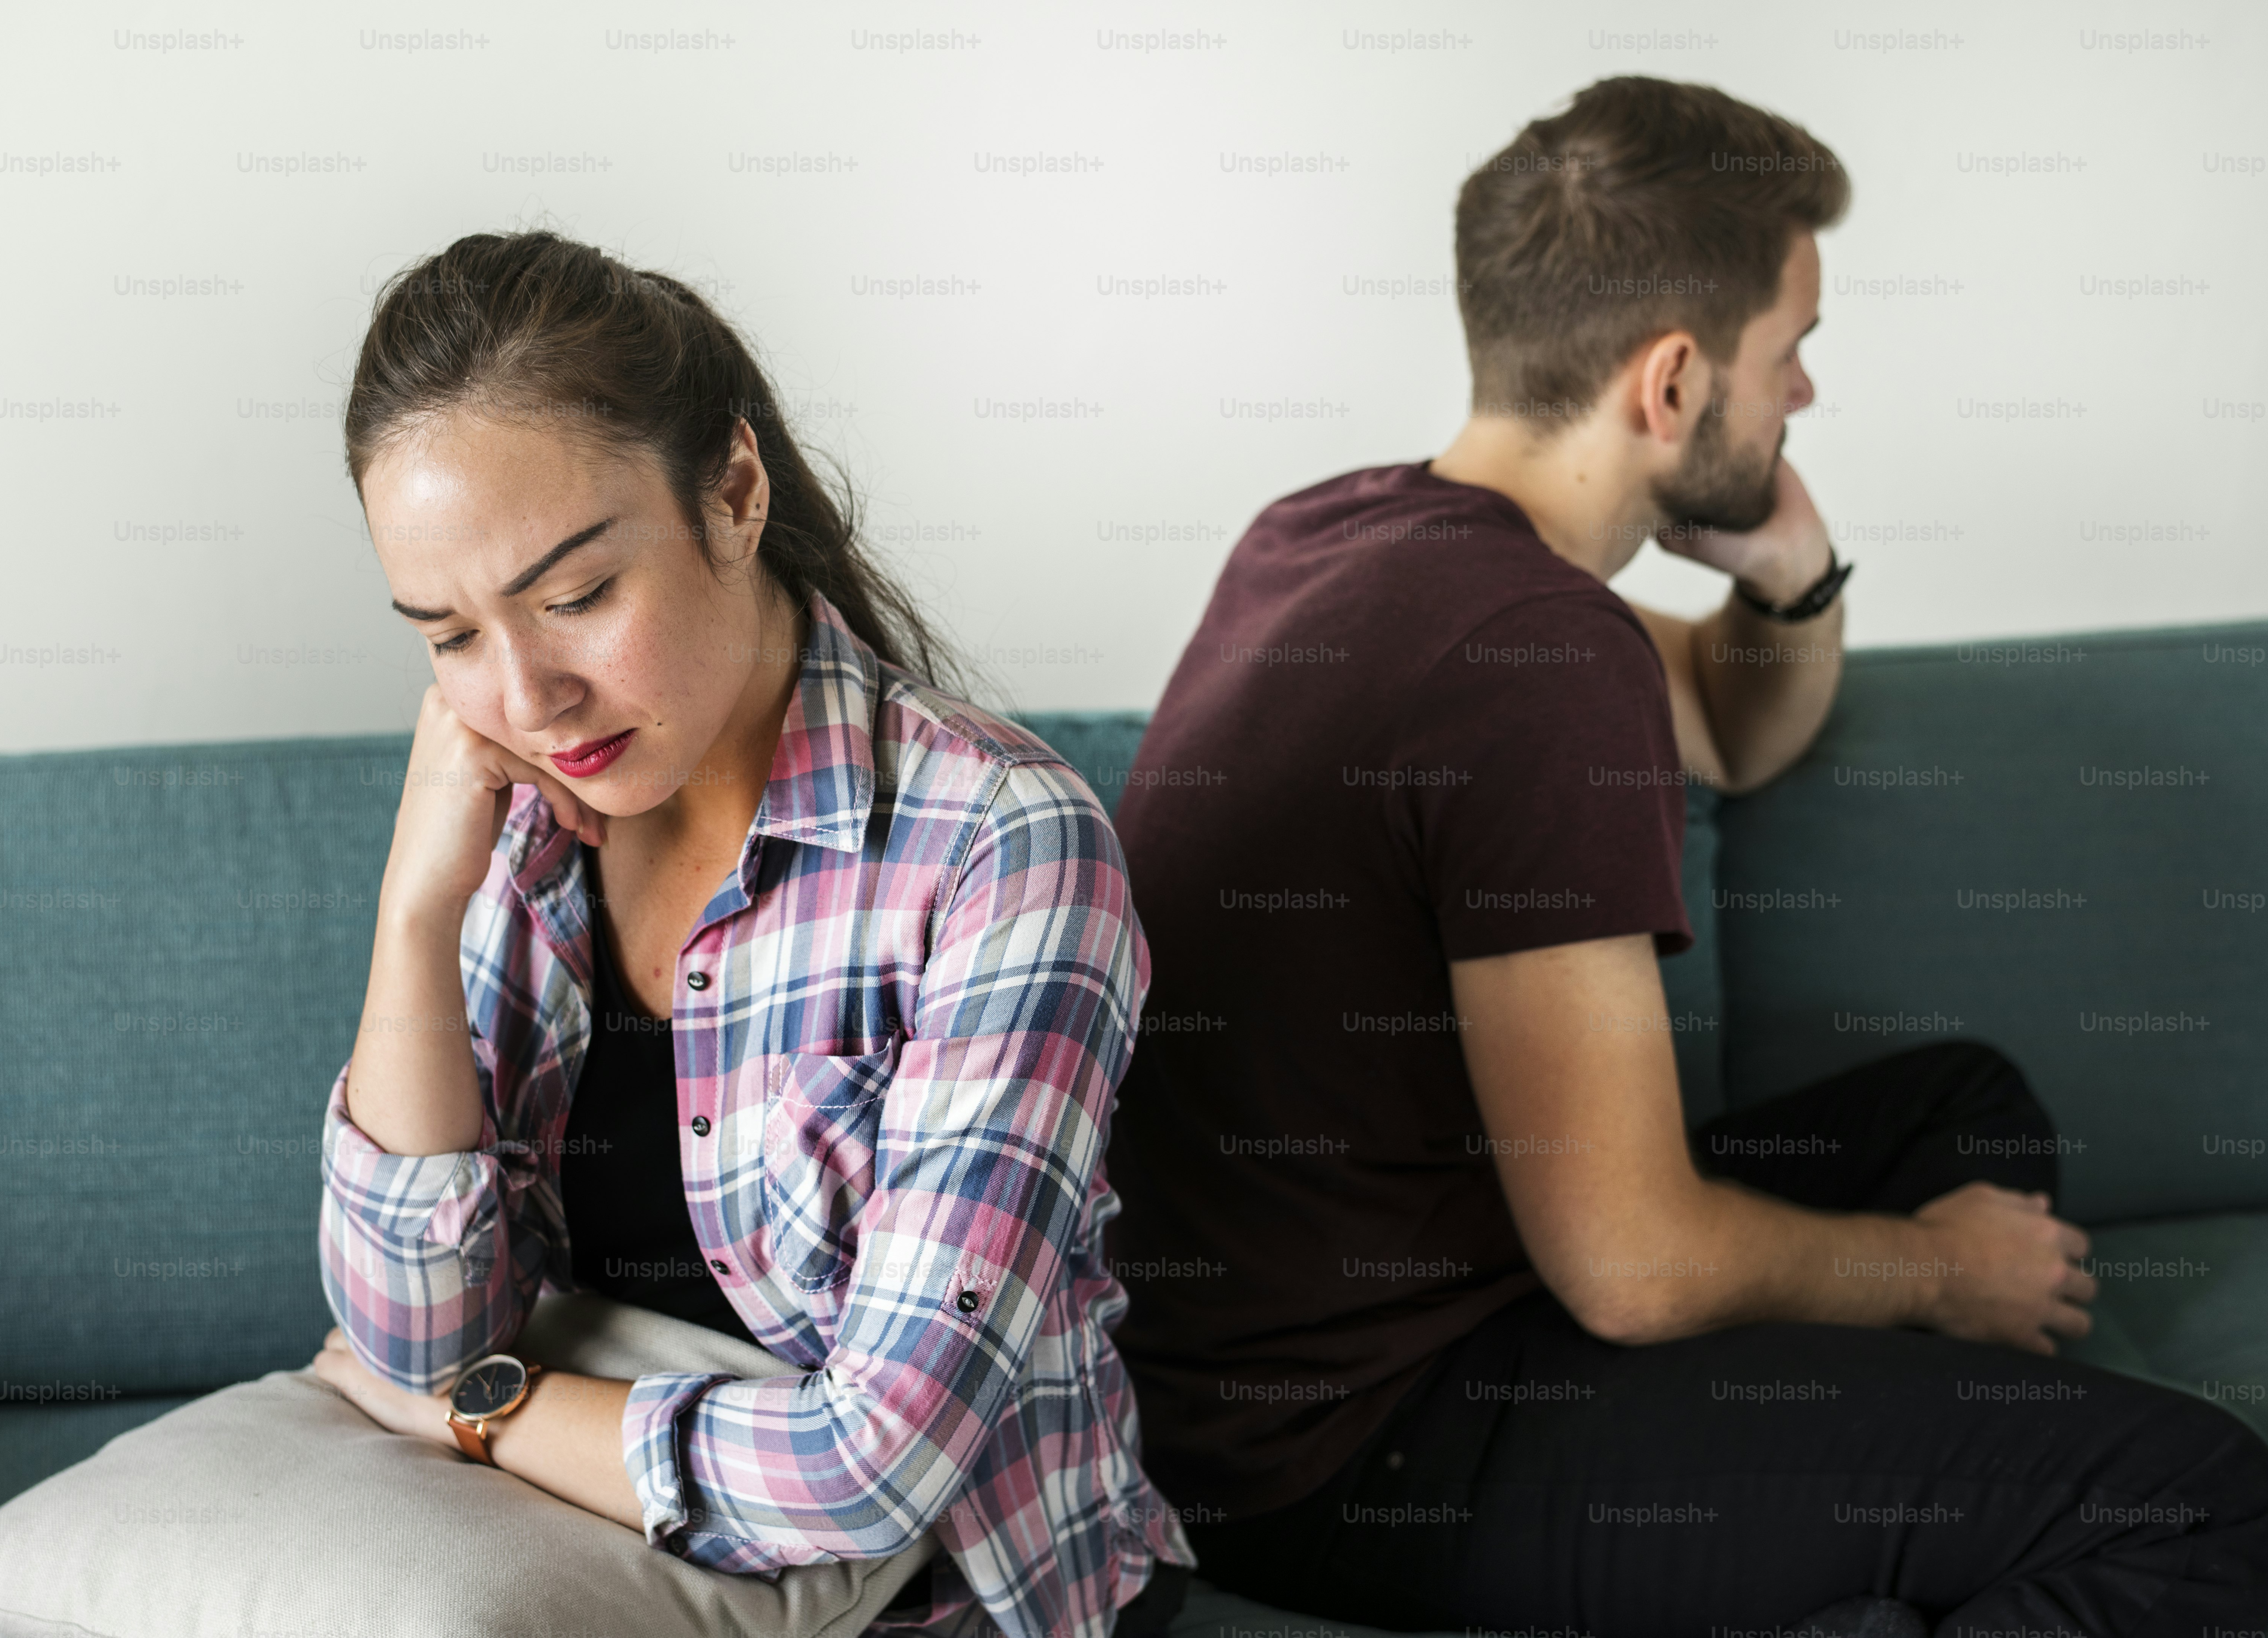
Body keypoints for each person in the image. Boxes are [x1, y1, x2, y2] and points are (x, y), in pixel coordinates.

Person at [1105, 77, 2268, 1633]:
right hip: (1358, 1448)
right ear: (1669, 381)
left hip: (1286, 1354)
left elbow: (1730, 732)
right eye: (1787, 350)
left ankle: (1860, 1529)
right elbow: (1634, 1268)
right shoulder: (1535, 651)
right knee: (2205, 1506)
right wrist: (1928, 1277)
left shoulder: (1327, 532)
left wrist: (1787, 573)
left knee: (1958, 1105)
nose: (1798, 396)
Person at [304, 230, 1194, 1638]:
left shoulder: (1001, 847)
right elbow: (407, 1330)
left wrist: (489, 1407)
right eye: (449, 635)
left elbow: (872, 1471)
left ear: (732, 491)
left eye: (579, 596)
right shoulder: (517, 833)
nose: (528, 695)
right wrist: (413, 918)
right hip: (614, 1588)